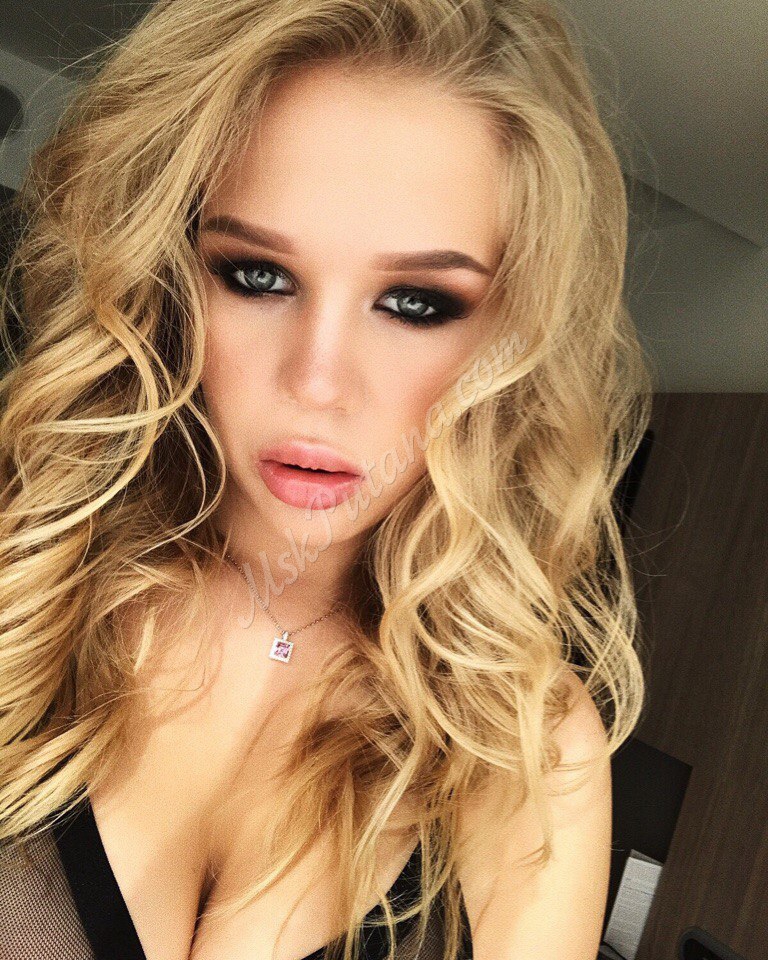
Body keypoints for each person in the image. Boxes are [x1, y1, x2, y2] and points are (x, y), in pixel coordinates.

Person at [0, 0, 653, 958]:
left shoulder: (527, 746)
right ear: (169, 276)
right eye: (257, 276)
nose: (317, 381)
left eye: (416, 302)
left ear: (513, 337)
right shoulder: (22, 575)